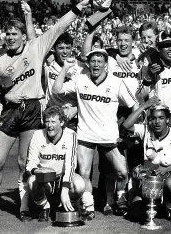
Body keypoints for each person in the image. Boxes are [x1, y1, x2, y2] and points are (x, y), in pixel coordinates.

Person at [0, 0, 90, 221]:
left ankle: (23, 206)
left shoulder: (36, 47)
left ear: (23, 35)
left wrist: (78, 8)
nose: (10, 38)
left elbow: (60, 26)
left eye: (14, 34)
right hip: (10, 110)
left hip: (32, 109)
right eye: (7, 34)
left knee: (23, 163)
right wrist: (5, 96)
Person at [52, 49, 138, 221]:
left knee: (122, 173)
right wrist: (65, 68)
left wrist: (130, 129)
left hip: (109, 136)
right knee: (84, 173)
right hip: (85, 135)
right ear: (88, 63)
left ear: (106, 64)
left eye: (100, 61)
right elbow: (56, 90)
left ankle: (119, 199)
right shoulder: (80, 79)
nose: (96, 64)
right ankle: (88, 205)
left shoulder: (116, 82)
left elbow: (134, 104)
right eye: (93, 61)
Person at [123, 97, 171, 221]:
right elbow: (126, 125)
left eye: (161, 118)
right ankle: (157, 205)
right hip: (150, 179)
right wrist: (143, 107)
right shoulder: (146, 130)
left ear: (168, 120)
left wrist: (166, 168)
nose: (157, 122)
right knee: (135, 214)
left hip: (169, 174)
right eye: (153, 118)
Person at [26, 106, 85, 222]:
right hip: (46, 178)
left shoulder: (70, 135)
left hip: (63, 175)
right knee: (31, 181)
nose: (50, 125)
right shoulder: (37, 135)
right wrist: (36, 171)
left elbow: (71, 164)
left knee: (79, 185)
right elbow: (30, 162)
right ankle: (44, 207)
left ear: (62, 122)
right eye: (47, 121)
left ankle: (70, 203)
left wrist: (65, 189)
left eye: (53, 121)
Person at [137, 30, 171, 132]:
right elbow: (139, 96)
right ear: (158, 48)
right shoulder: (147, 67)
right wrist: (148, 77)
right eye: (166, 46)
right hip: (158, 116)